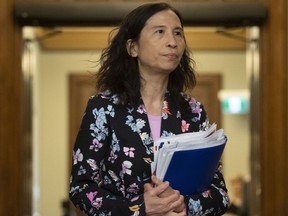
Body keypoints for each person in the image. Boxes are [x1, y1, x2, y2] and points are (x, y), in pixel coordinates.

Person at [69, 2, 230, 216]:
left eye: (178, 33)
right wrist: (140, 208)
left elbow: (220, 194)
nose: (172, 42)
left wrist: (183, 206)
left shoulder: (193, 111)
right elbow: (81, 190)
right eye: (160, 32)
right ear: (132, 48)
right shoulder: (103, 108)